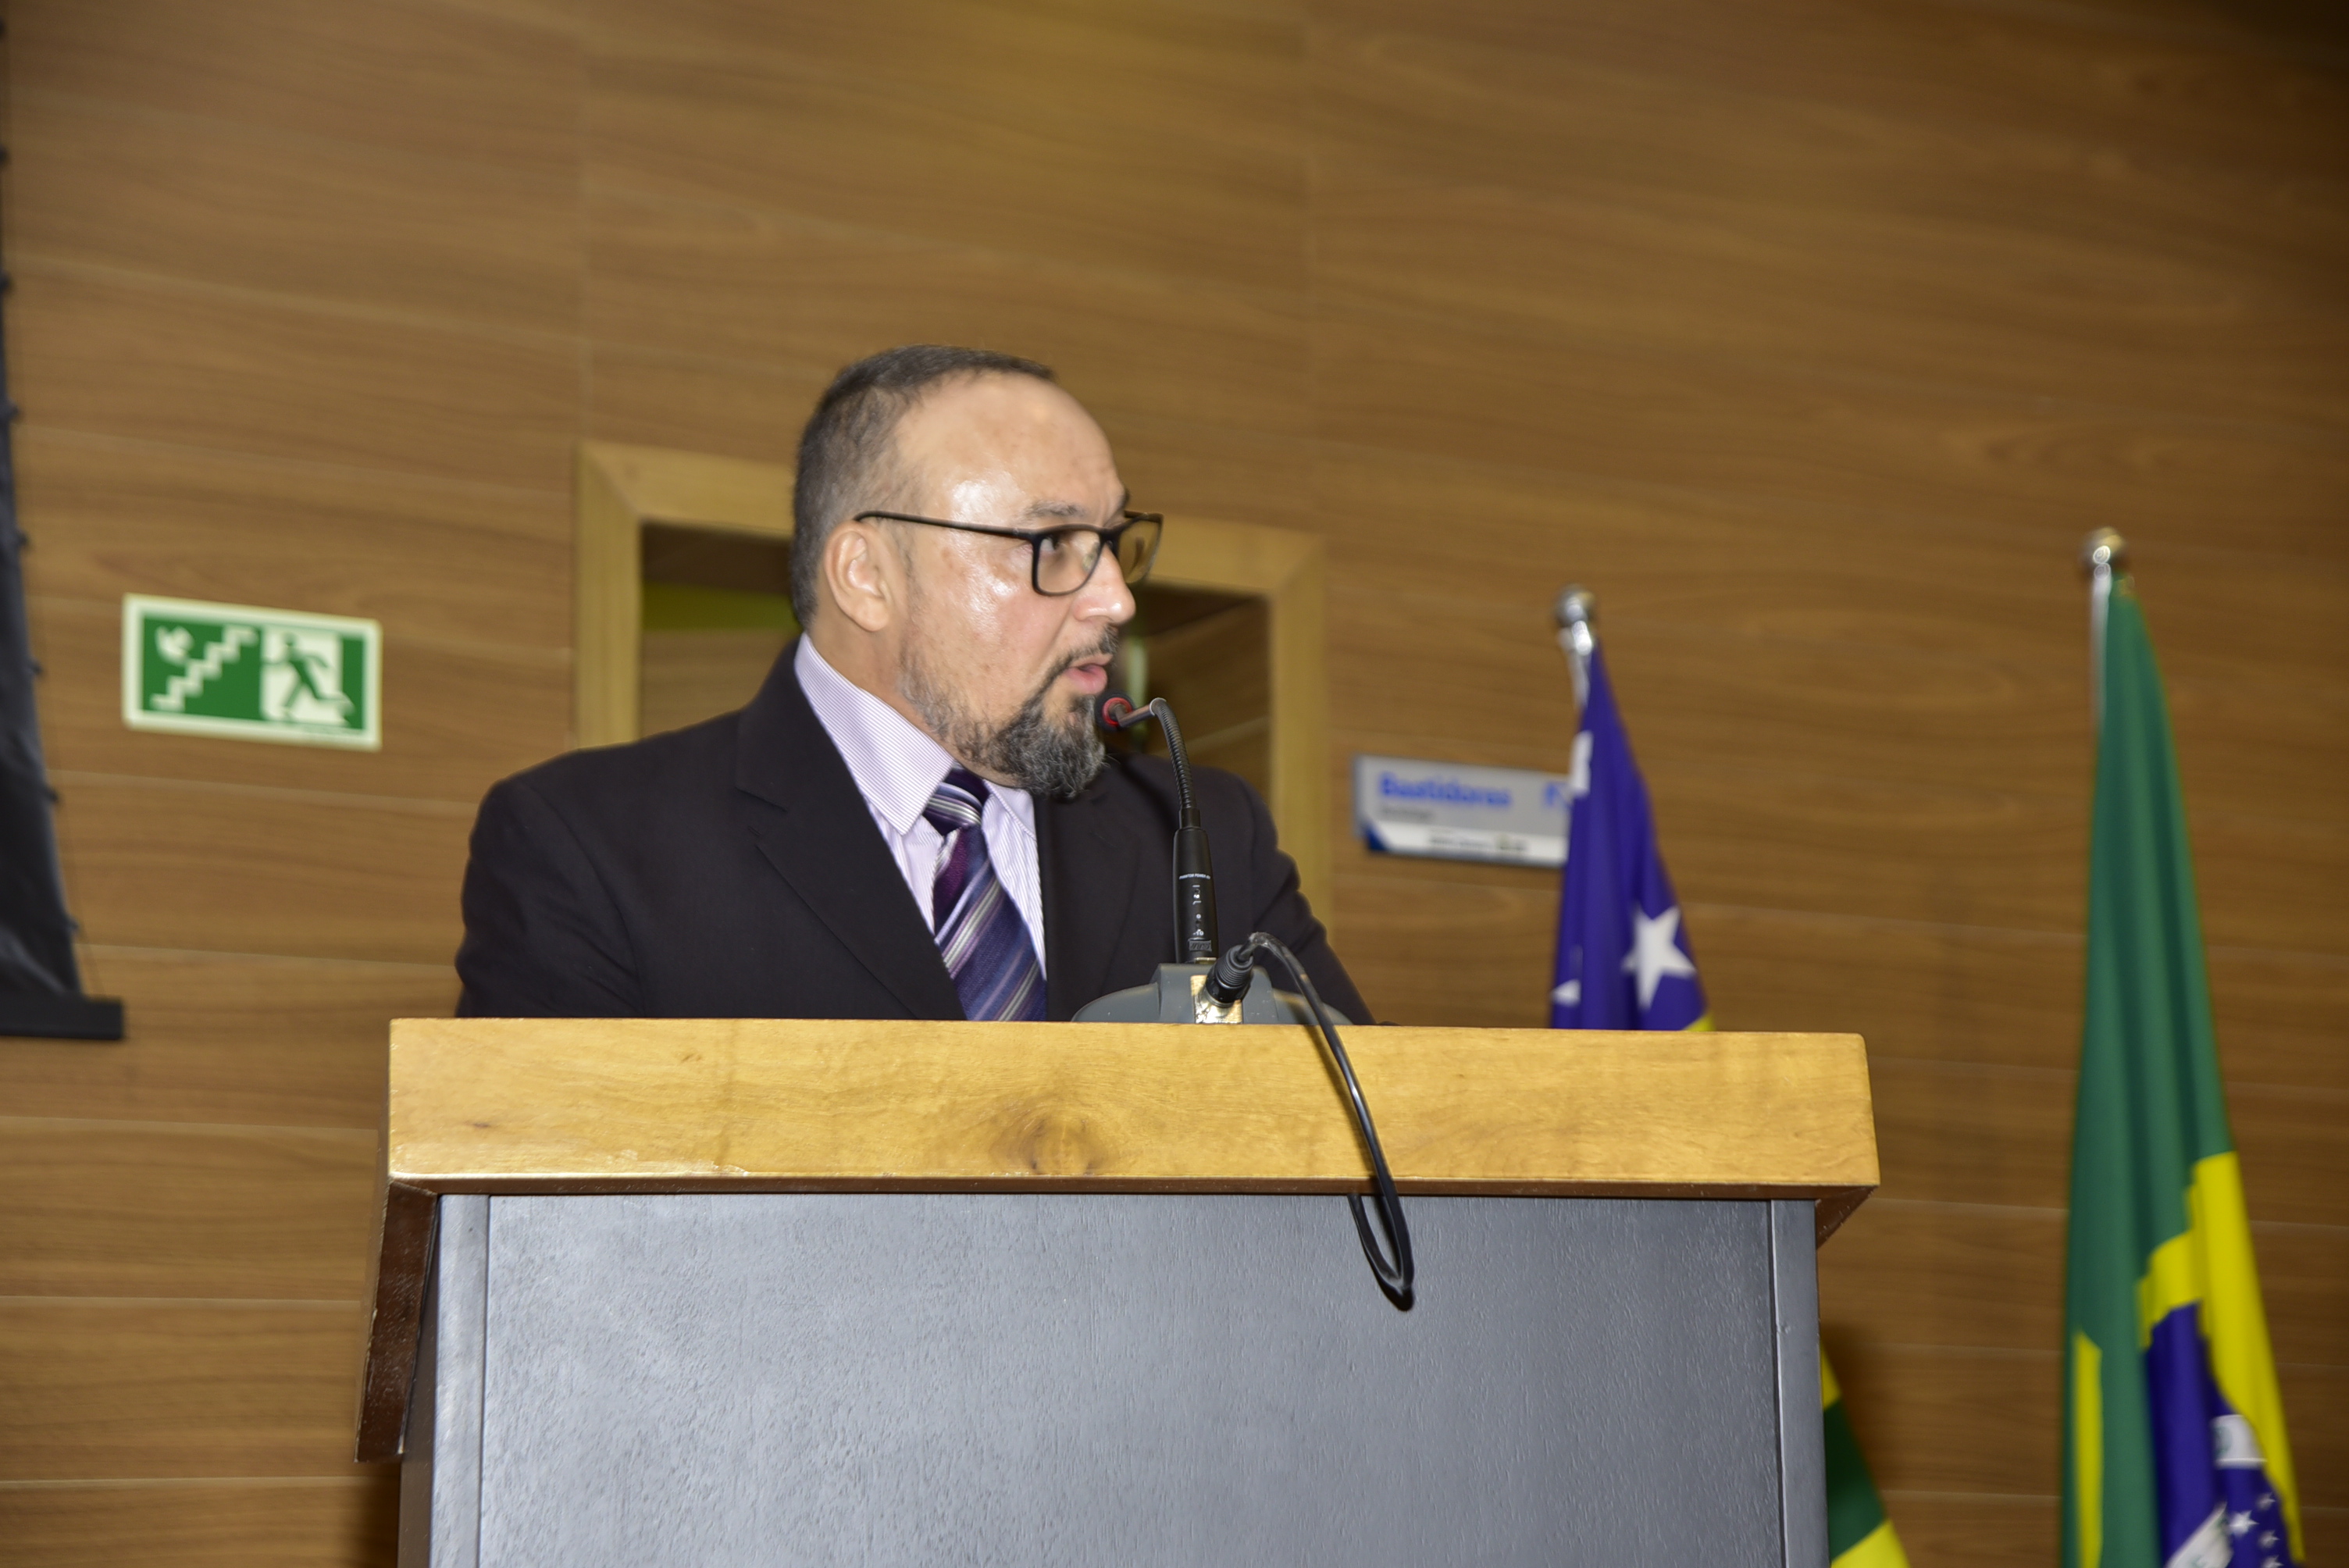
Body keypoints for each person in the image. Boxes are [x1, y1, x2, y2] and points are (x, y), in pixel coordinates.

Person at [454, 344, 1366, 1023]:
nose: (1116, 598)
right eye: (1053, 544)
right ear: (866, 576)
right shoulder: (588, 845)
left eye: (1113, 540)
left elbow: (1379, 1153)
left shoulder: (1200, 835)